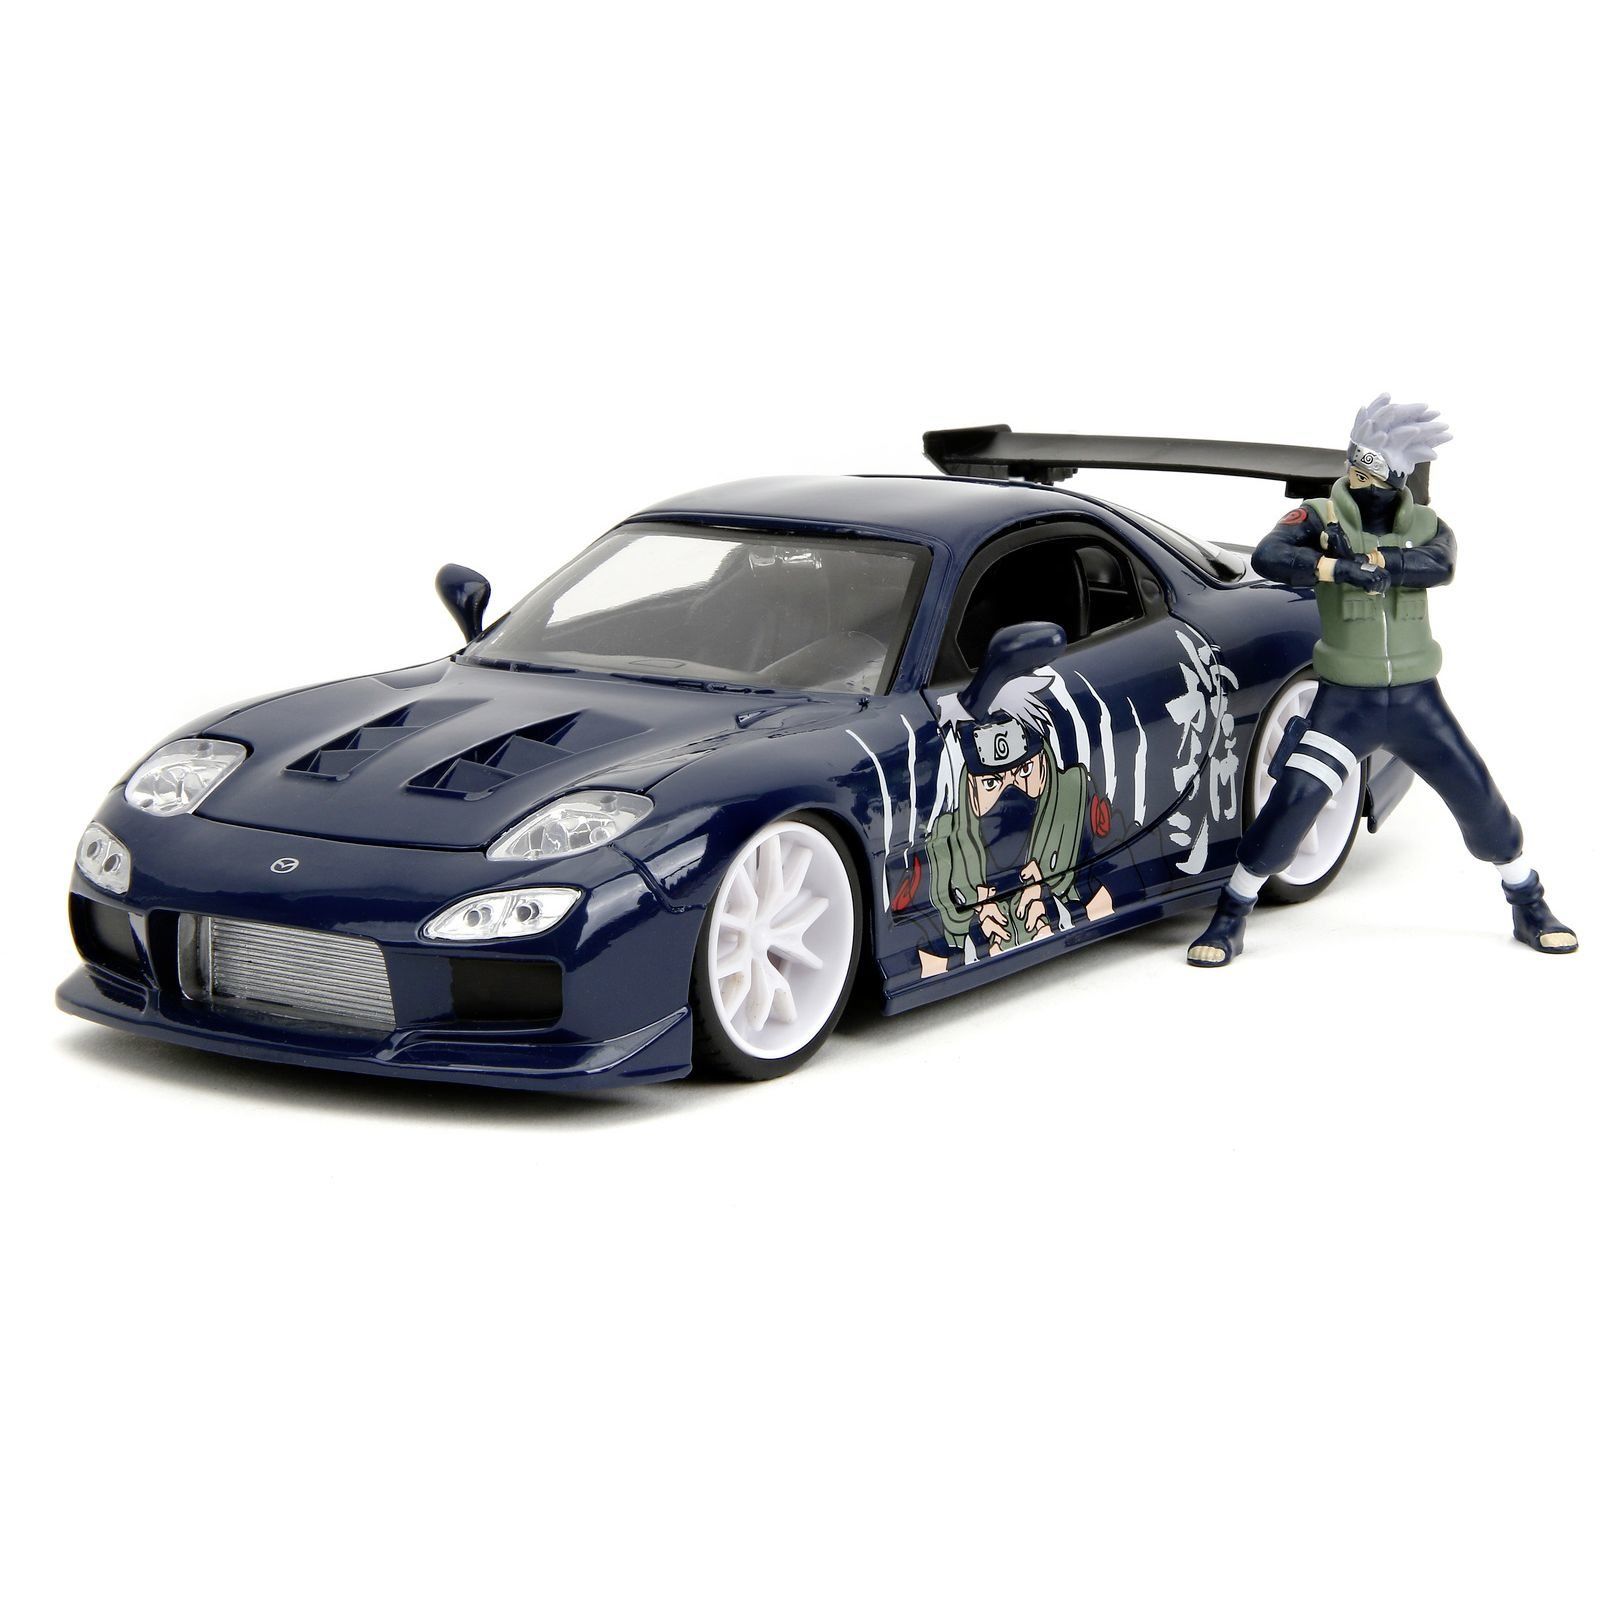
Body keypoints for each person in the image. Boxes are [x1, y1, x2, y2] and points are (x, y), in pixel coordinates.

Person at [1187, 395, 1577, 967]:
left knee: (1479, 799)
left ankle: (1528, 901)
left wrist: (1383, 565)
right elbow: (1269, 557)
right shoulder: (1319, 518)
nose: (1358, 481)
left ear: (1397, 478)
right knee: (1292, 802)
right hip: (1345, 703)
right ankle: (1231, 914)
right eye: (1355, 467)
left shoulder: (1425, 525)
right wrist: (1333, 568)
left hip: (1418, 702)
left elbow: (1441, 564)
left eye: (1371, 473)